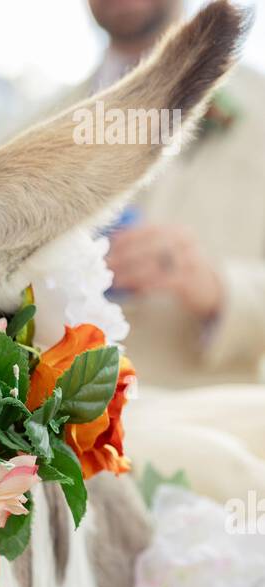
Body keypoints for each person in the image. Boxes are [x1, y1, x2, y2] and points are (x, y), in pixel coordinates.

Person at [58, 0, 265, 389]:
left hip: (210, 417)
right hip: (59, 427)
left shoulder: (261, 108)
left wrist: (219, 288)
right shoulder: (36, 124)